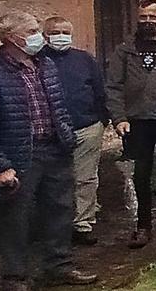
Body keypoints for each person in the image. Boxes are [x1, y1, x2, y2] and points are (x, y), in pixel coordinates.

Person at [0, 11, 96, 290]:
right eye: (32, 31)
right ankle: (15, 277)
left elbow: (58, 106)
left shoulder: (45, 65)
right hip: (19, 156)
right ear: (13, 38)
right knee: (16, 218)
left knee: (61, 210)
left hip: (55, 150)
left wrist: (66, 137)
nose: (38, 35)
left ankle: (59, 266)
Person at [106, 0, 156, 248]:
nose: (148, 21)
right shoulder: (125, 50)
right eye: (143, 17)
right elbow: (114, 86)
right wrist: (119, 118)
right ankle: (143, 225)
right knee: (141, 175)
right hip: (137, 121)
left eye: (153, 16)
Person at [41, 16, 109, 246]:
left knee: (85, 178)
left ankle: (82, 223)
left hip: (87, 126)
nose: (60, 36)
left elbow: (100, 90)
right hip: (51, 132)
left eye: (65, 32)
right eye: (55, 31)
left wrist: (101, 119)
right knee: (55, 181)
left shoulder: (84, 60)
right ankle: (55, 225)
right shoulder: (37, 60)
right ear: (44, 35)